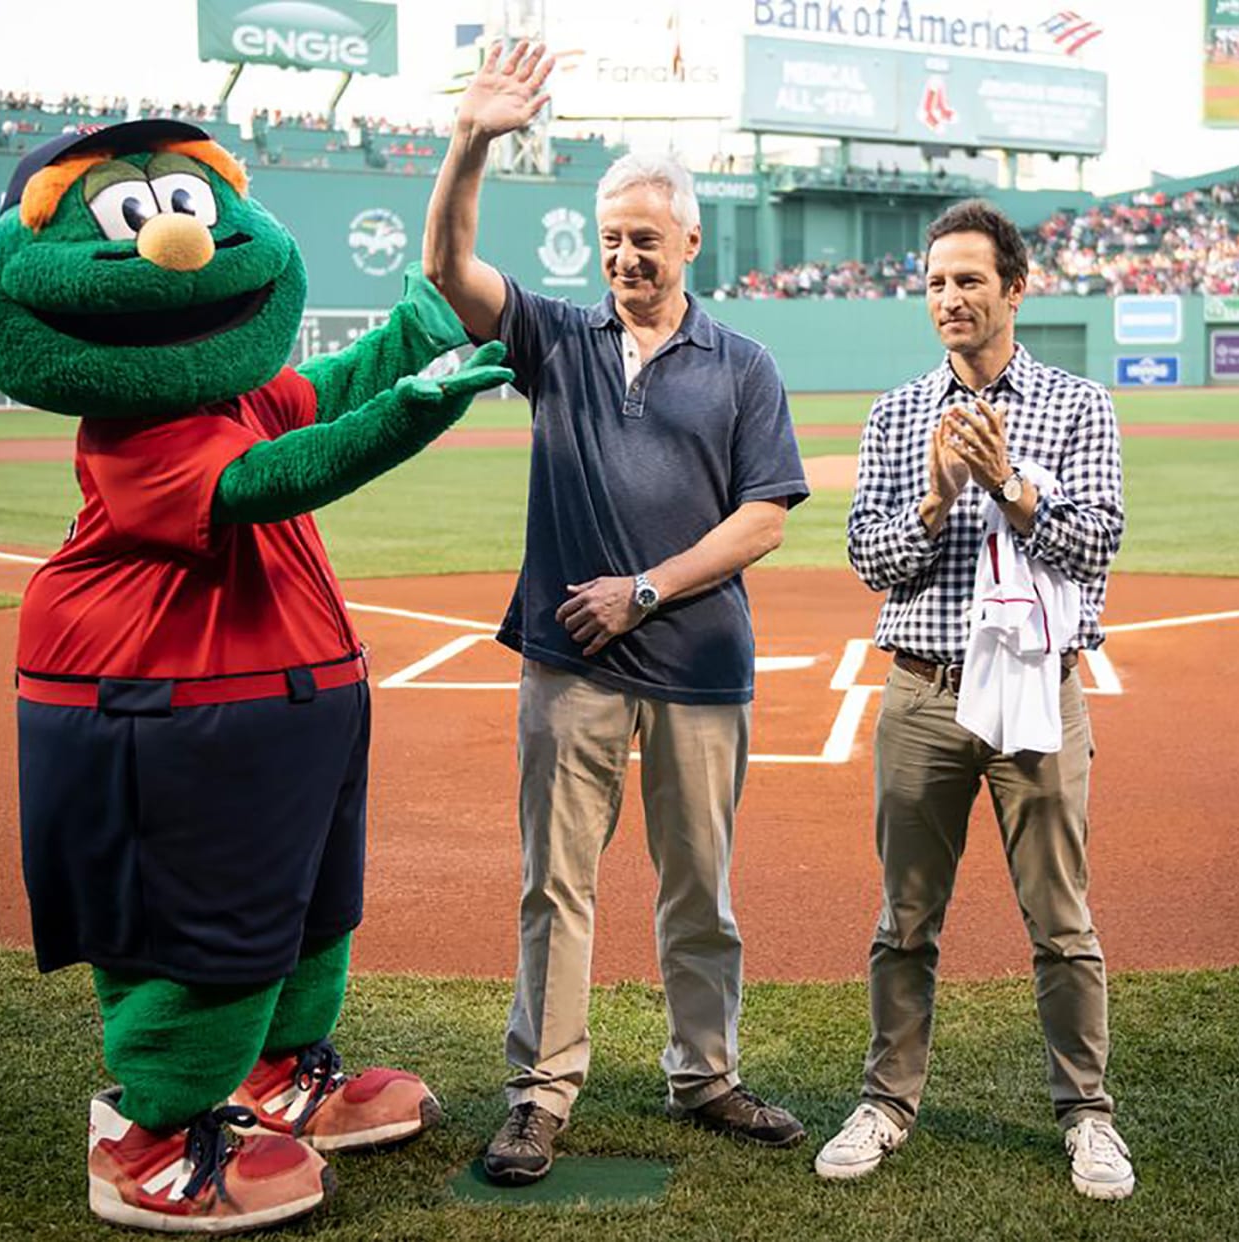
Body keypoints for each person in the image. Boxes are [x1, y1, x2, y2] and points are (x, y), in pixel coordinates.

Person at [421, 39, 811, 1186]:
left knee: (701, 886)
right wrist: (471, 139)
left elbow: (767, 517)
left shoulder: (741, 364)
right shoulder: (555, 340)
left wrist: (646, 587)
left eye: (647, 237)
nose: (627, 256)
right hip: (571, 666)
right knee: (556, 881)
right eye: (611, 239)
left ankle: (706, 1074)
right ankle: (540, 1096)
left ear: (690, 241)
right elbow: (450, 267)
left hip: (695, 660)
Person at [820, 200, 1132, 1201]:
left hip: (1037, 693)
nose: (949, 299)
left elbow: (1095, 546)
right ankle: (886, 1101)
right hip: (922, 691)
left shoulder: (1078, 407)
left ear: (1015, 288)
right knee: (905, 919)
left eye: (968, 281)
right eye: (936, 283)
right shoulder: (895, 414)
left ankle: (1087, 1115)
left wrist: (1011, 485)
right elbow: (872, 560)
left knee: (1062, 922)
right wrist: (937, 496)